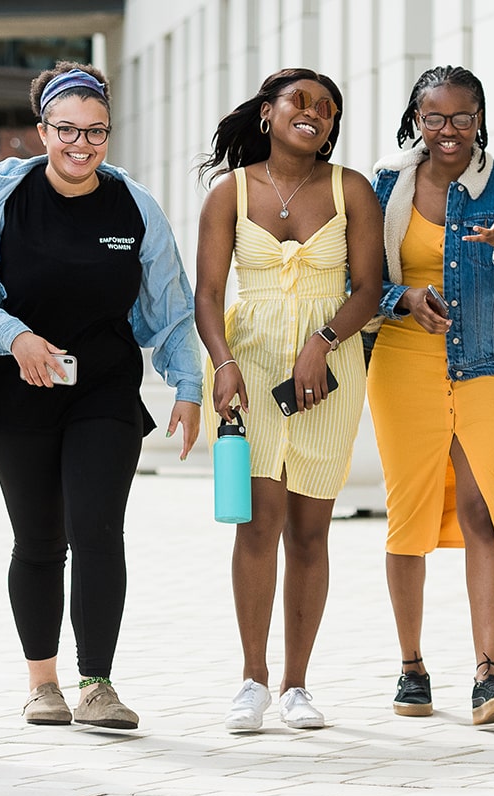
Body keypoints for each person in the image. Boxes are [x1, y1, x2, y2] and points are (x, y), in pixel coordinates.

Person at [0, 61, 203, 729]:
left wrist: (188, 384)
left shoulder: (133, 205)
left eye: (96, 132)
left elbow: (170, 306)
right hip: (20, 390)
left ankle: (97, 684)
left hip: (102, 386)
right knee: (39, 541)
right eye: (66, 129)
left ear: (108, 135)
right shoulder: (5, 201)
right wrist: (17, 338)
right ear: (42, 131)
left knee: (98, 530)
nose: (81, 144)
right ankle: (44, 685)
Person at [195, 68, 383, 732]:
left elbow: (369, 287)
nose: (315, 114)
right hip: (249, 367)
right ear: (268, 114)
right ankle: (251, 679)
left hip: (328, 373)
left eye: (327, 109)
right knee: (257, 524)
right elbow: (208, 296)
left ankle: (297, 686)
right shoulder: (230, 193)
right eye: (300, 103)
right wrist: (221, 365)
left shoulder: (350, 189)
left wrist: (323, 341)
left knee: (309, 531)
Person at [367, 65, 494, 726]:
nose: (449, 132)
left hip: (482, 364)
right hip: (402, 364)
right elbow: (359, 281)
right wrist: (403, 299)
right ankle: (412, 669)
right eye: (435, 117)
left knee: (482, 514)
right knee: (407, 514)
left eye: (462, 117)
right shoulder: (384, 184)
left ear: (480, 117)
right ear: (417, 118)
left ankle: (487, 675)